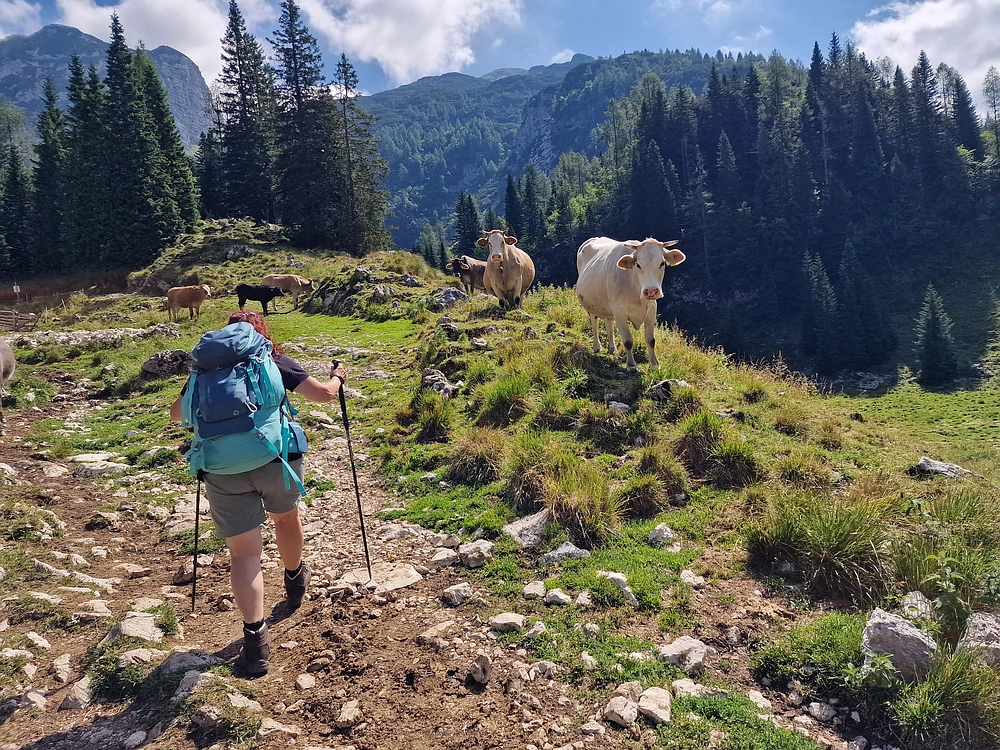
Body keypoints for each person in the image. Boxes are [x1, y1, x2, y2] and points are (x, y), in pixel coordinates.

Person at [169, 310, 348, 675]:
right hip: (275, 458)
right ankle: (295, 578)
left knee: (244, 555)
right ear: (260, 334)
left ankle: (255, 645)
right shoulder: (274, 360)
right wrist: (338, 377)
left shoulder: (204, 372)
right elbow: (324, 396)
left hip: (221, 470)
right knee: (285, 520)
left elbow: (177, 414)